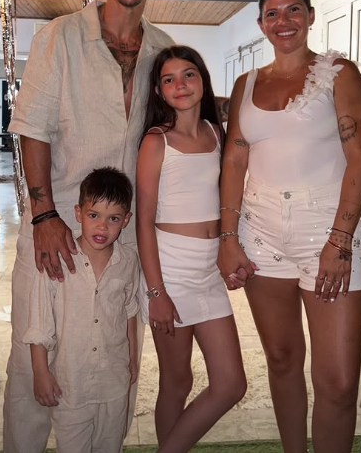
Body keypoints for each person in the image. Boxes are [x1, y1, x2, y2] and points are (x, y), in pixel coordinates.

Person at [4, 0, 174, 453]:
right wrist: (43, 216)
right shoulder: (59, 37)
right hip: (58, 223)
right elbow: (32, 128)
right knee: (34, 360)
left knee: (114, 358)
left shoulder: (163, 50)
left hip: (125, 235)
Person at [218, 0, 361, 453]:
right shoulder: (246, 83)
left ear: (309, 16)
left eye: (293, 10)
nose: (282, 21)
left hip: (329, 230)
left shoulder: (339, 73)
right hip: (260, 231)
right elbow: (234, 160)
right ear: (261, 23)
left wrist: (339, 241)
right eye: (272, 13)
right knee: (282, 359)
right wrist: (228, 237)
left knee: (338, 382)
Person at [136, 45, 246, 453]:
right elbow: (143, 222)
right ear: (159, 91)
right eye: (169, 79)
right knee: (177, 380)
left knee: (231, 383)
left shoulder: (217, 133)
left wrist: (232, 252)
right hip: (171, 269)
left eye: (188, 75)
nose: (179, 85)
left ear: (202, 80)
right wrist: (156, 292)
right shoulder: (156, 141)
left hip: (208, 271)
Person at [23, 166, 138, 453]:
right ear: (78, 213)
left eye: (113, 218)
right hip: (70, 385)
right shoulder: (57, 261)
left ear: (126, 220)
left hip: (114, 384)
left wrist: (132, 357)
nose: (102, 227)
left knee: (110, 446)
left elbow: (130, 311)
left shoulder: (128, 261)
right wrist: (40, 371)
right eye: (93, 215)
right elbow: (39, 321)